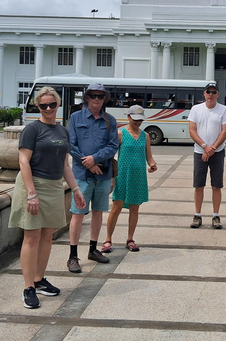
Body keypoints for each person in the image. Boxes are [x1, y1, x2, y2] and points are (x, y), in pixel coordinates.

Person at [8, 87, 85, 309]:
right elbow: (23, 162)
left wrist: (76, 189)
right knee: (31, 236)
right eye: (43, 105)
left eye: (52, 104)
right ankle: (28, 287)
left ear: (58, 105)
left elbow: (64, 165)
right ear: (37, 106)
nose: (49, 109)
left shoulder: (62, 131)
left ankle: (39, 279)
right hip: (32, 185)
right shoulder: (32, 129)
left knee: (48, 235)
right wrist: (31, 194)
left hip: (53, 186)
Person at [67, 83, 119, 271]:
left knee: (98, 211)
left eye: (100, 96)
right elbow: (71, 145)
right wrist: (87, 162)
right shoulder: (75, 118)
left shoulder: (109, 120)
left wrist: (95, 159)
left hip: (102, 173)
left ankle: (92, 249)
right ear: (87, 97)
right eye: (93, 96)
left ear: (105, 98)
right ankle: (73, 256)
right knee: (78, 213)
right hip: (81, 174)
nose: (97, 99)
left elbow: (113, 145)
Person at [102, 105, 158, 253]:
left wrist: (153, 164)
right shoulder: (120, 133)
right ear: (128, 117)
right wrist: (112, 176)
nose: (138, 122)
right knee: (116, 207)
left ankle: (130, 238)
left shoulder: (145, 136)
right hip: (123, 175)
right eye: (135, 119)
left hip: (138, 177)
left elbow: (149, 156)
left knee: (134, 208)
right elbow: (111, 155)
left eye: (140, 120)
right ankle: (108, 239)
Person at [188, 81, 226, 229]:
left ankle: (215, 215)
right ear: (204, 94)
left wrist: (212, 148)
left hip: (217, 152)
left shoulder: (223, 110)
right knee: (198, 185)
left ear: (218, 94)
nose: (211, 95)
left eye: (214, 92)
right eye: (208, 92)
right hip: (199, 151)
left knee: (216, 185)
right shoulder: (196, 109)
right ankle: (197, 215)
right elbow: (192, 131)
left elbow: (225, 131)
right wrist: (204, 146)